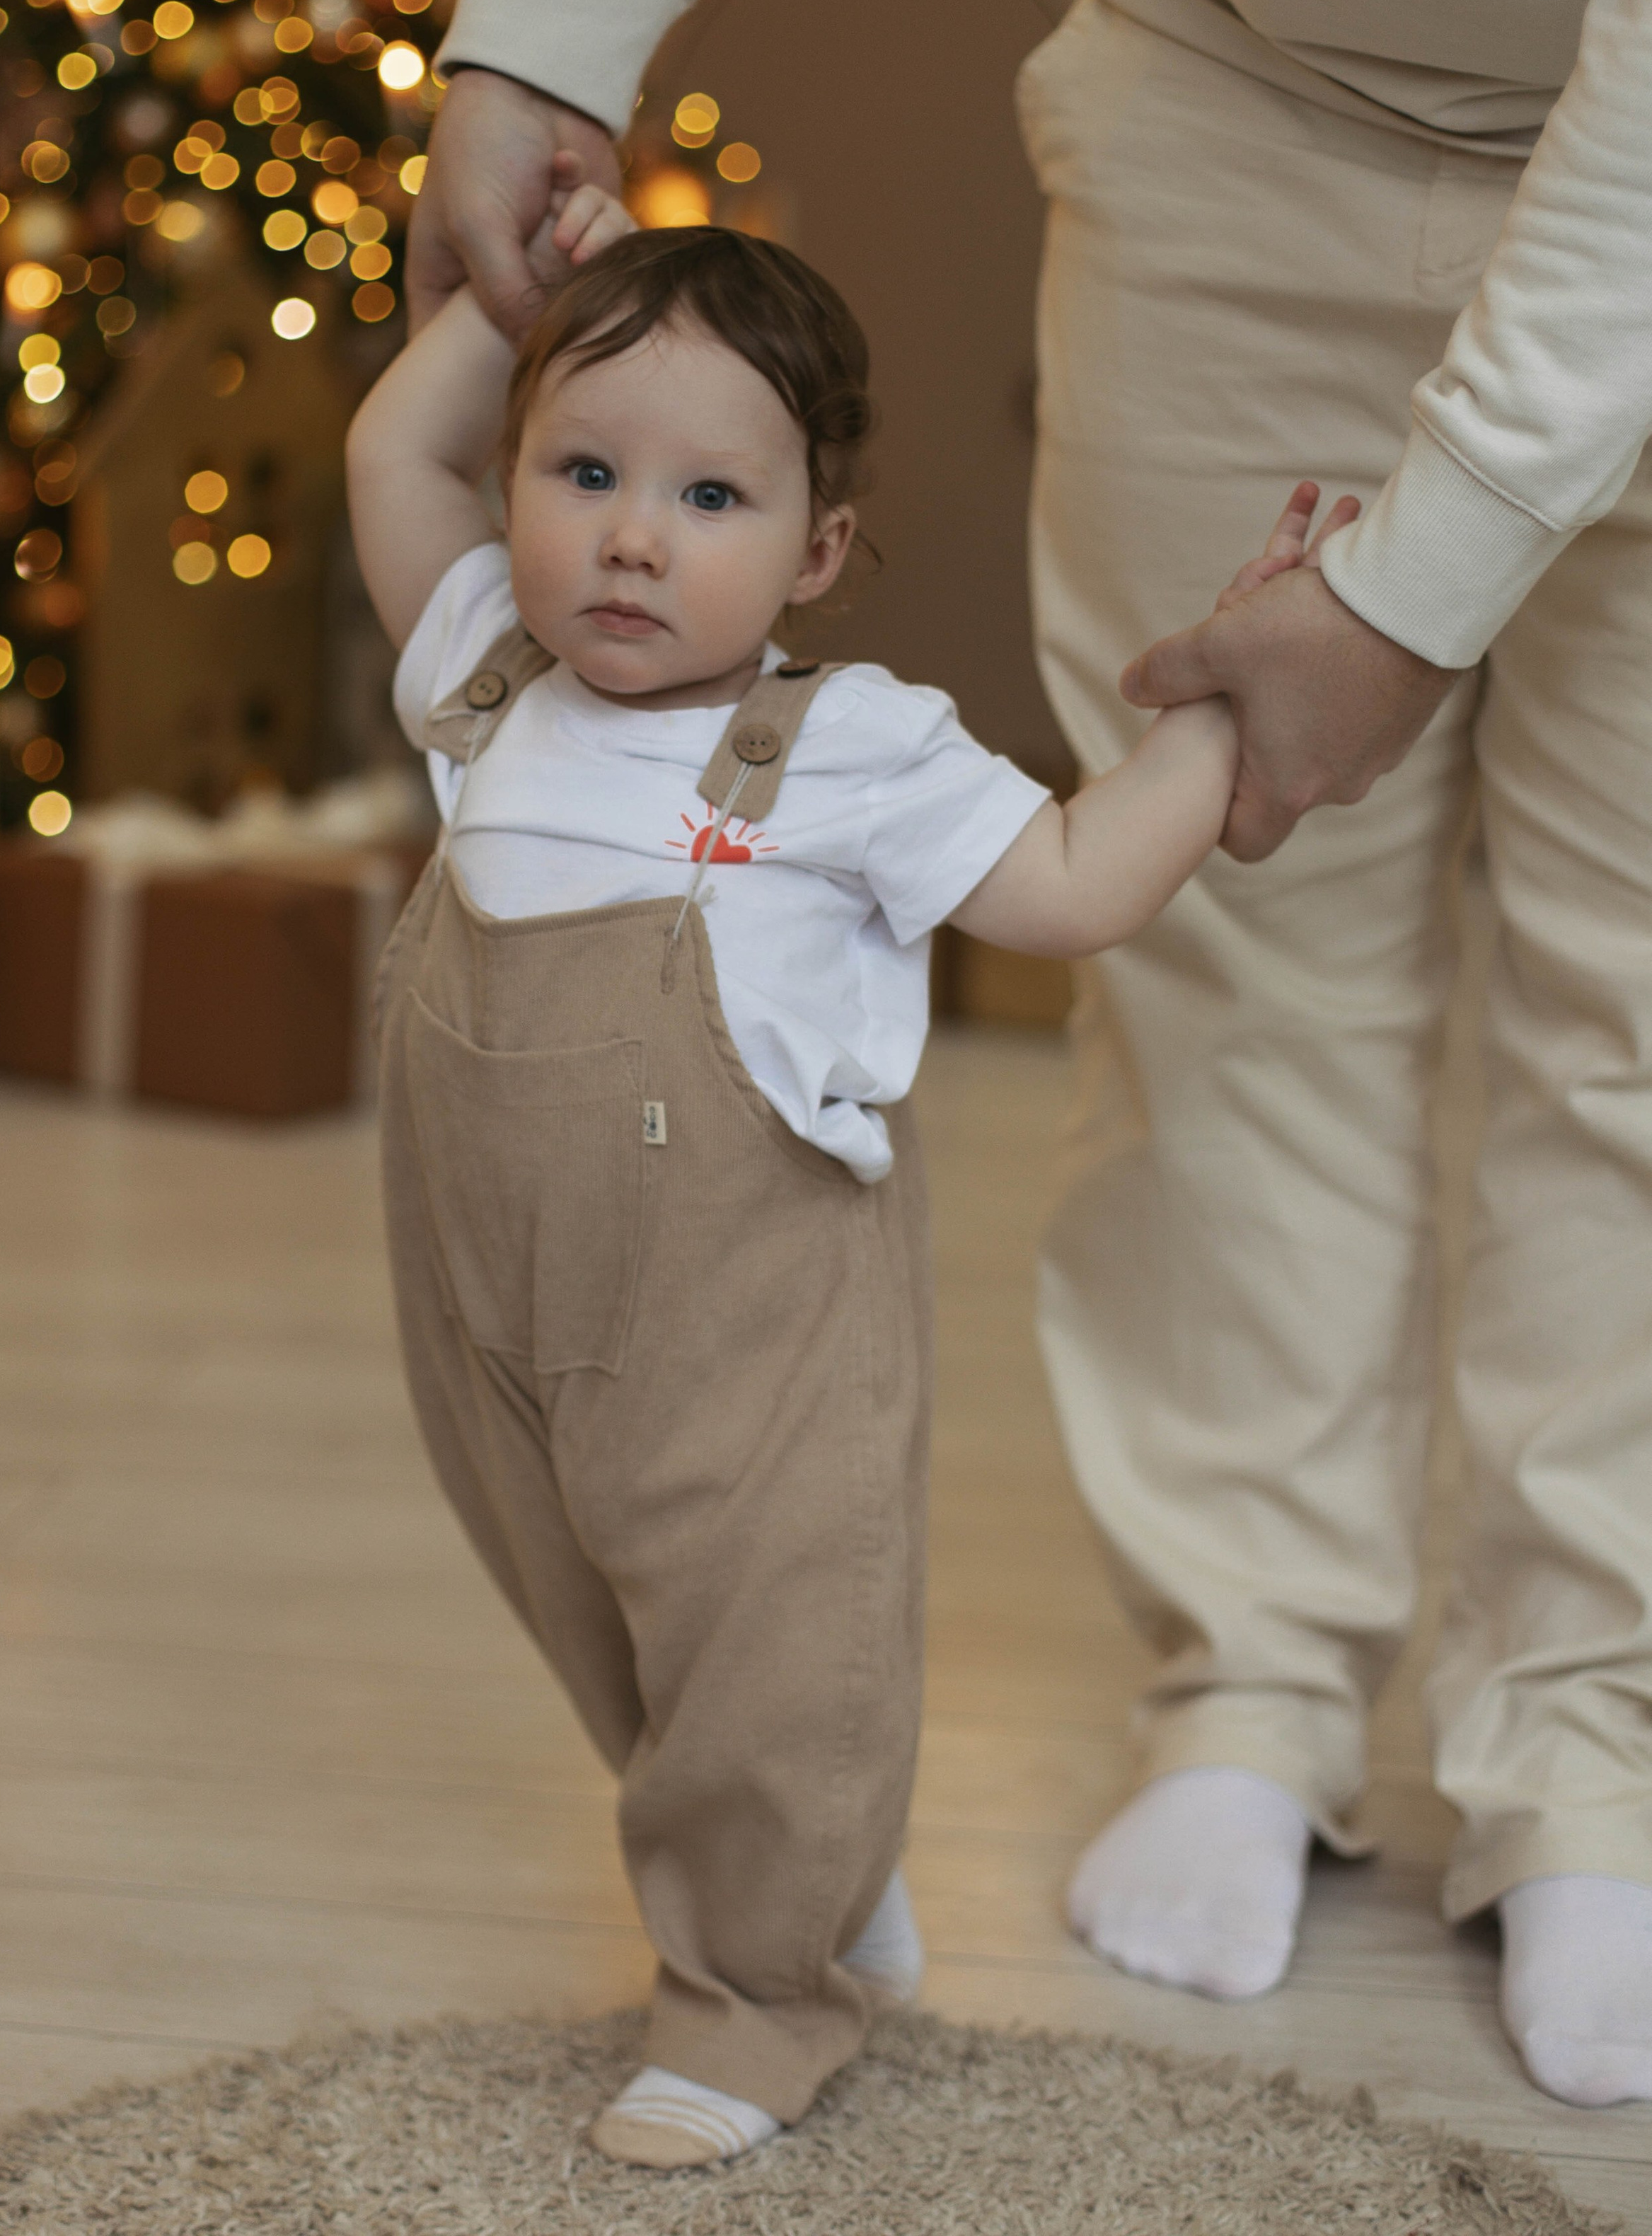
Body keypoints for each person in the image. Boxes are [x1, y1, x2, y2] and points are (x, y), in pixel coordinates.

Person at [400, 0, 1652, 2113]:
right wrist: (542, 26)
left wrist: (1417, 581)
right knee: (1233, 973)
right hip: (1244, 80)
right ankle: (1249, 1676)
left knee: (1635, 994)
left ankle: (1600, 1742)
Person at [348, 182, 1333, 2167]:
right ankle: (809, 1870)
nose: (633, 533)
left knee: (770, 1638)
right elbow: (394, 450)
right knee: (612, 1630)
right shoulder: (484, 678)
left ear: (818, 550)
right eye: (583, 469)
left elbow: (1071, 884)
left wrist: (1227, 715)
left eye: (710, 497)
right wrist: (517, 296)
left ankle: (759, 1992)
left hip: (753, 1328)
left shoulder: (847, 750)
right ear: (517, 479)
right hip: (495, 1318)